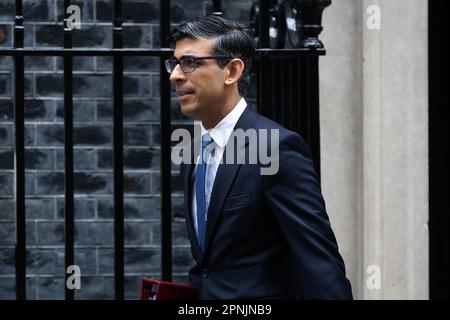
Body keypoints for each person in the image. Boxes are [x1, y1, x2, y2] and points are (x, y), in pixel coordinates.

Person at [167, 14, 353, 300]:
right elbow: (210, 266)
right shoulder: (192, 153)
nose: (175, 74)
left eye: (190, 62)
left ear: (231, 71)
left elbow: (318, 262)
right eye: (175, 63)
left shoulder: (276, 147)